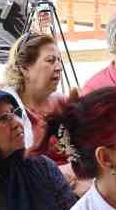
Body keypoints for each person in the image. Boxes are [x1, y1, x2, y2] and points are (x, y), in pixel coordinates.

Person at [6, 31, 69, 168]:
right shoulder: (9, 111)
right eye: (50, 61)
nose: (59, 68)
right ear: (24, 68)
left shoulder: (62, 103)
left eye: (59, 60)